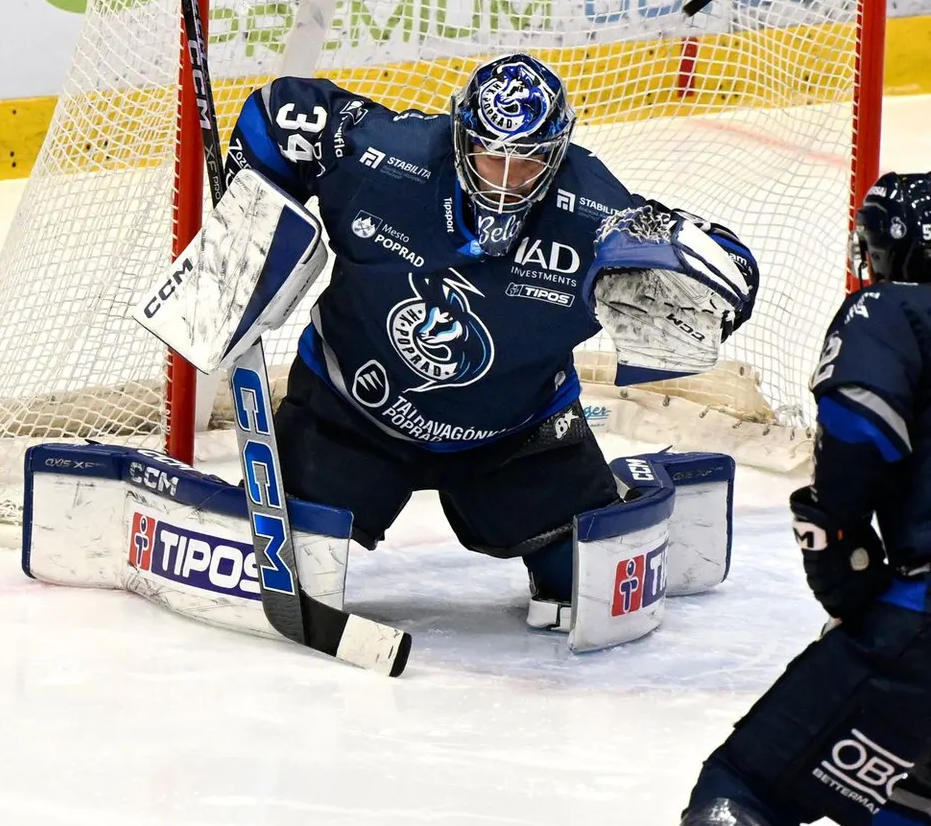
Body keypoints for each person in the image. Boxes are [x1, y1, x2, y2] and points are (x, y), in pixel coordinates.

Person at [552, 172, 931, 826]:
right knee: (918, 761)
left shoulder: (894, 309)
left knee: (752, 785)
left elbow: (858, 426)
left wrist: (841, 535)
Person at [221, 53, 758, 626]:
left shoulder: (596, 215)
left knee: (587, 587)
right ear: (461, 138)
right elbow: (276, 112)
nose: (504, 179)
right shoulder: (385, 156)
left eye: (526, 162)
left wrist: (690, 268)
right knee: (276, 566)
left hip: (515, 436)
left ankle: (622, 493)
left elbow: (730, 275)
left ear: (556, 154)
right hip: (349, 414)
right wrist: (245, 220)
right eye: (489, 155)